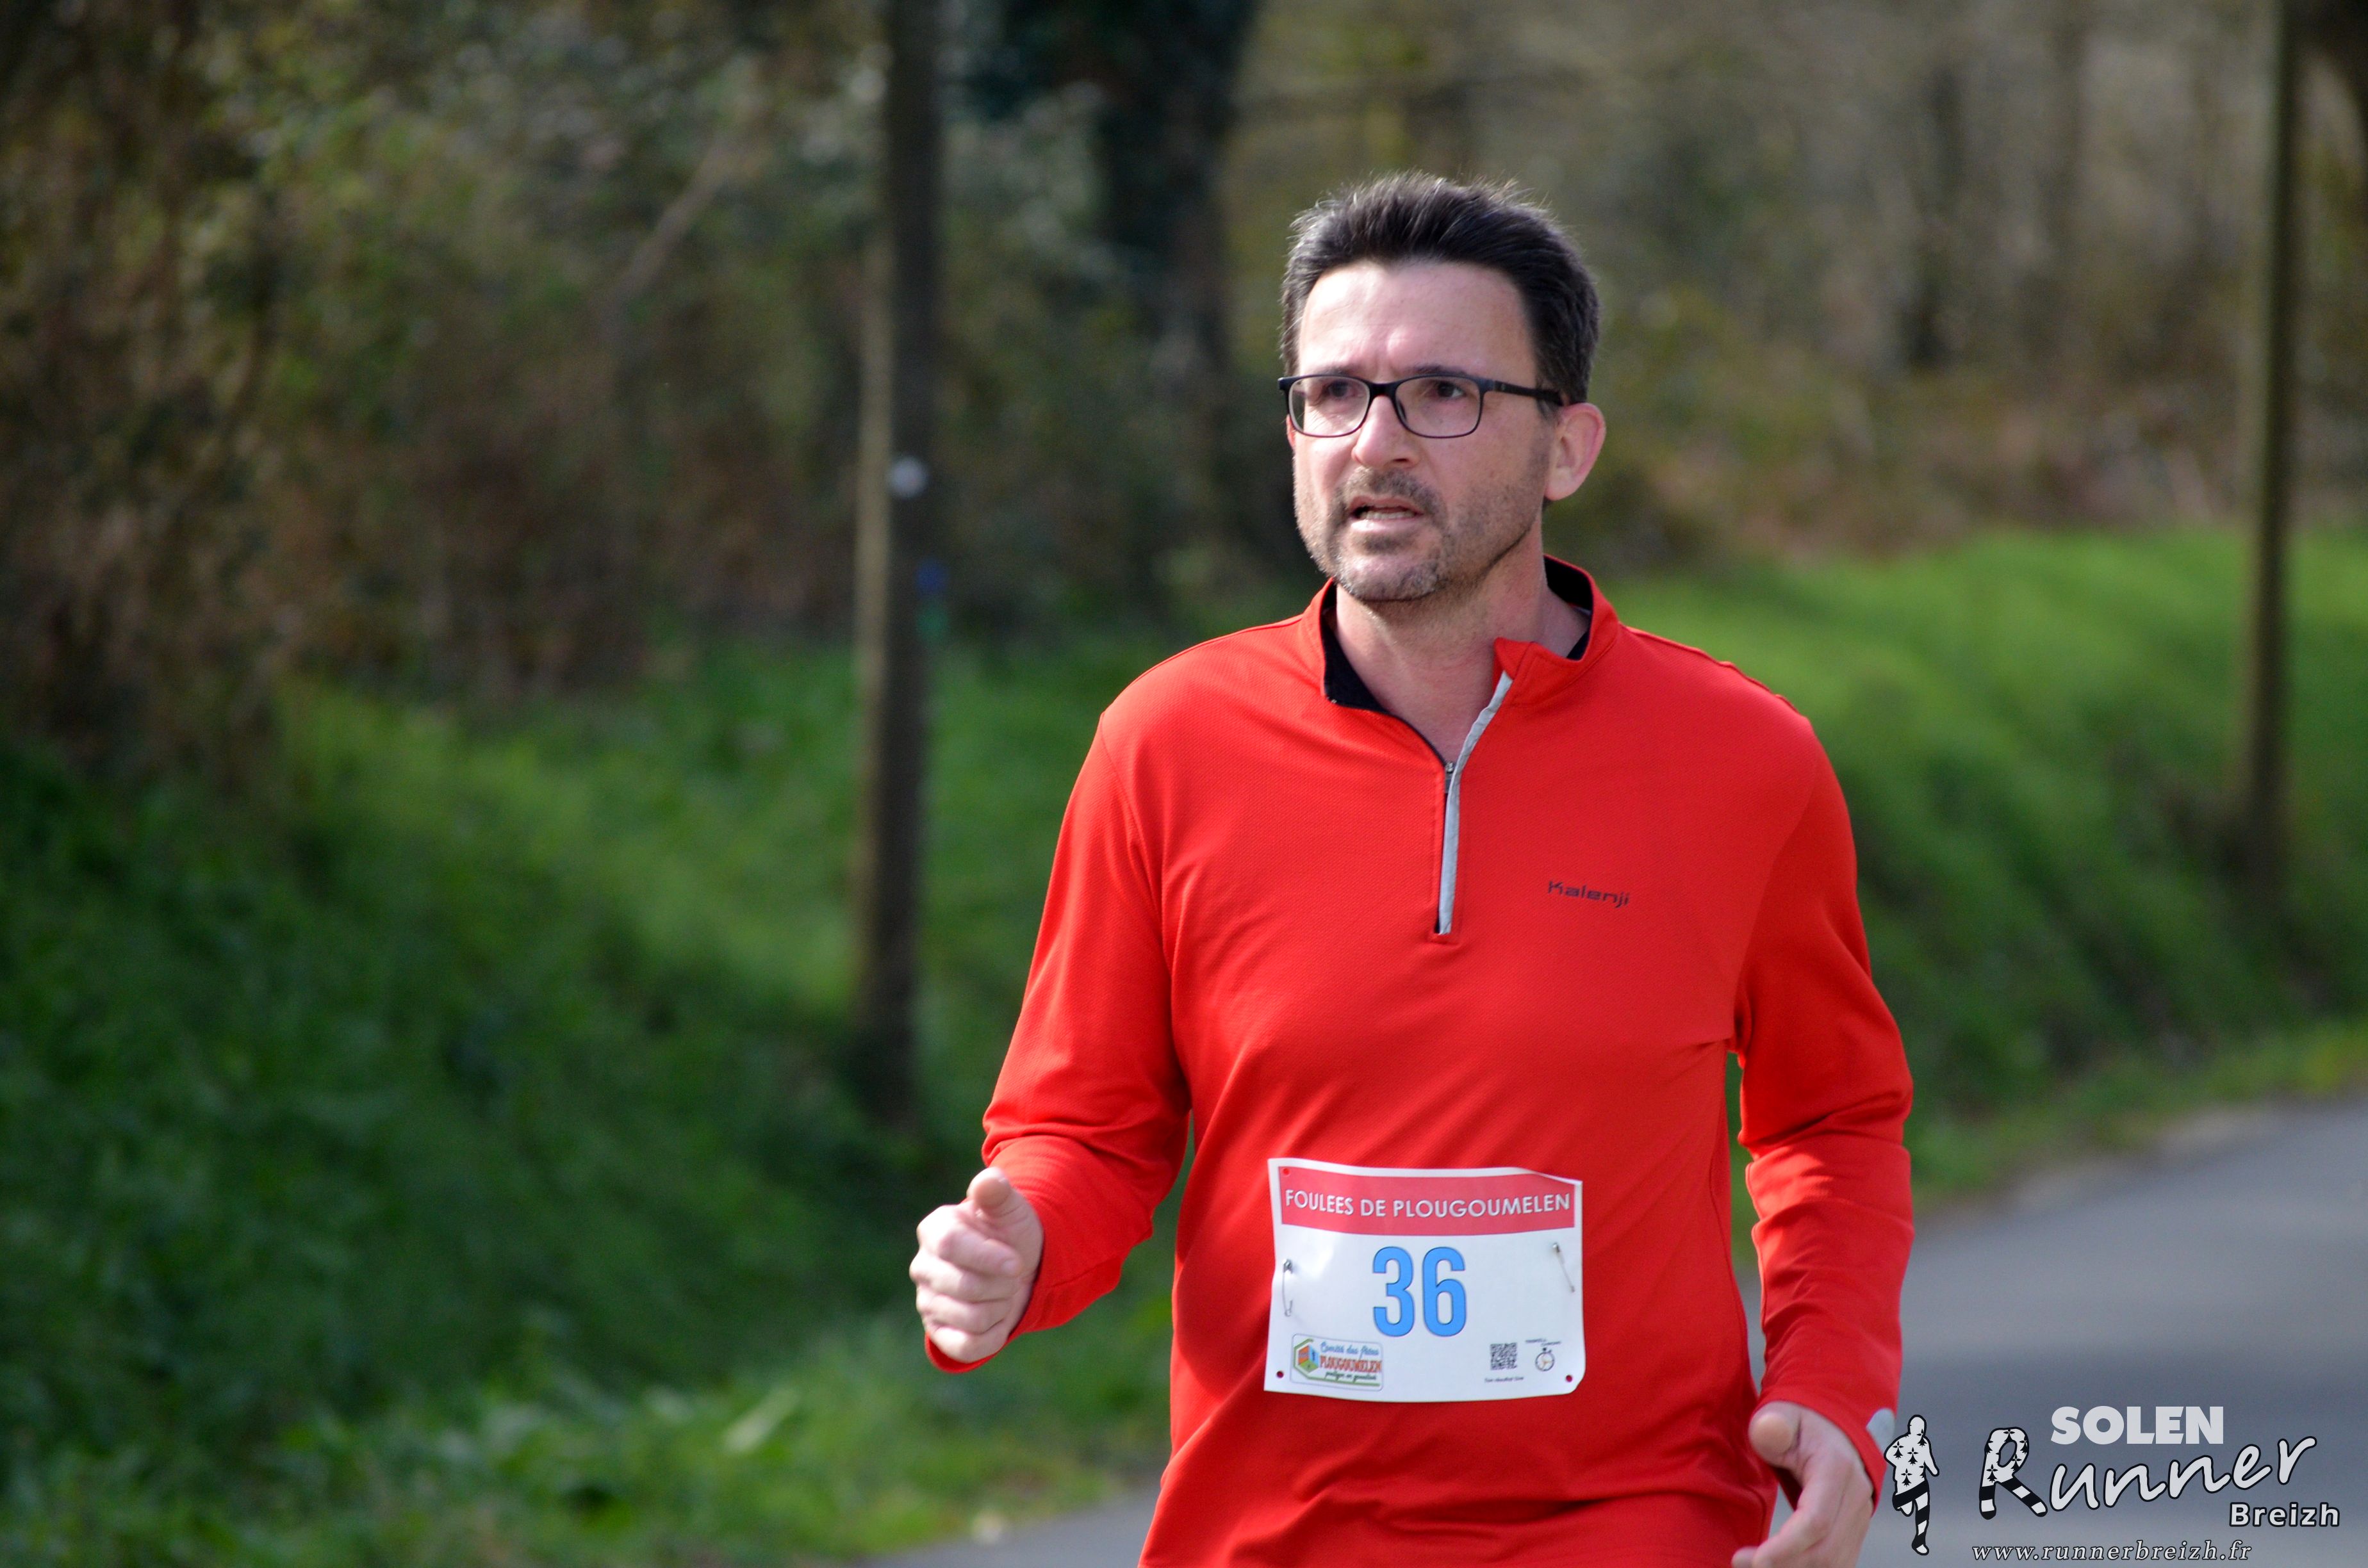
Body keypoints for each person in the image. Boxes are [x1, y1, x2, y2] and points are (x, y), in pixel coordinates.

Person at [910, 174, 1914, 1568]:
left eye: (1443, 392)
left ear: (1567, 447)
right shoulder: (1166, 742)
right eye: (1333, 394)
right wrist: (1019, 1248)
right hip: (1269, 1533)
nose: (1374, 441)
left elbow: (1831, 1123)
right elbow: (1087, 1131)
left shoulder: (1745, 762)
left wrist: (1836, 1394)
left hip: (1639, 1524)